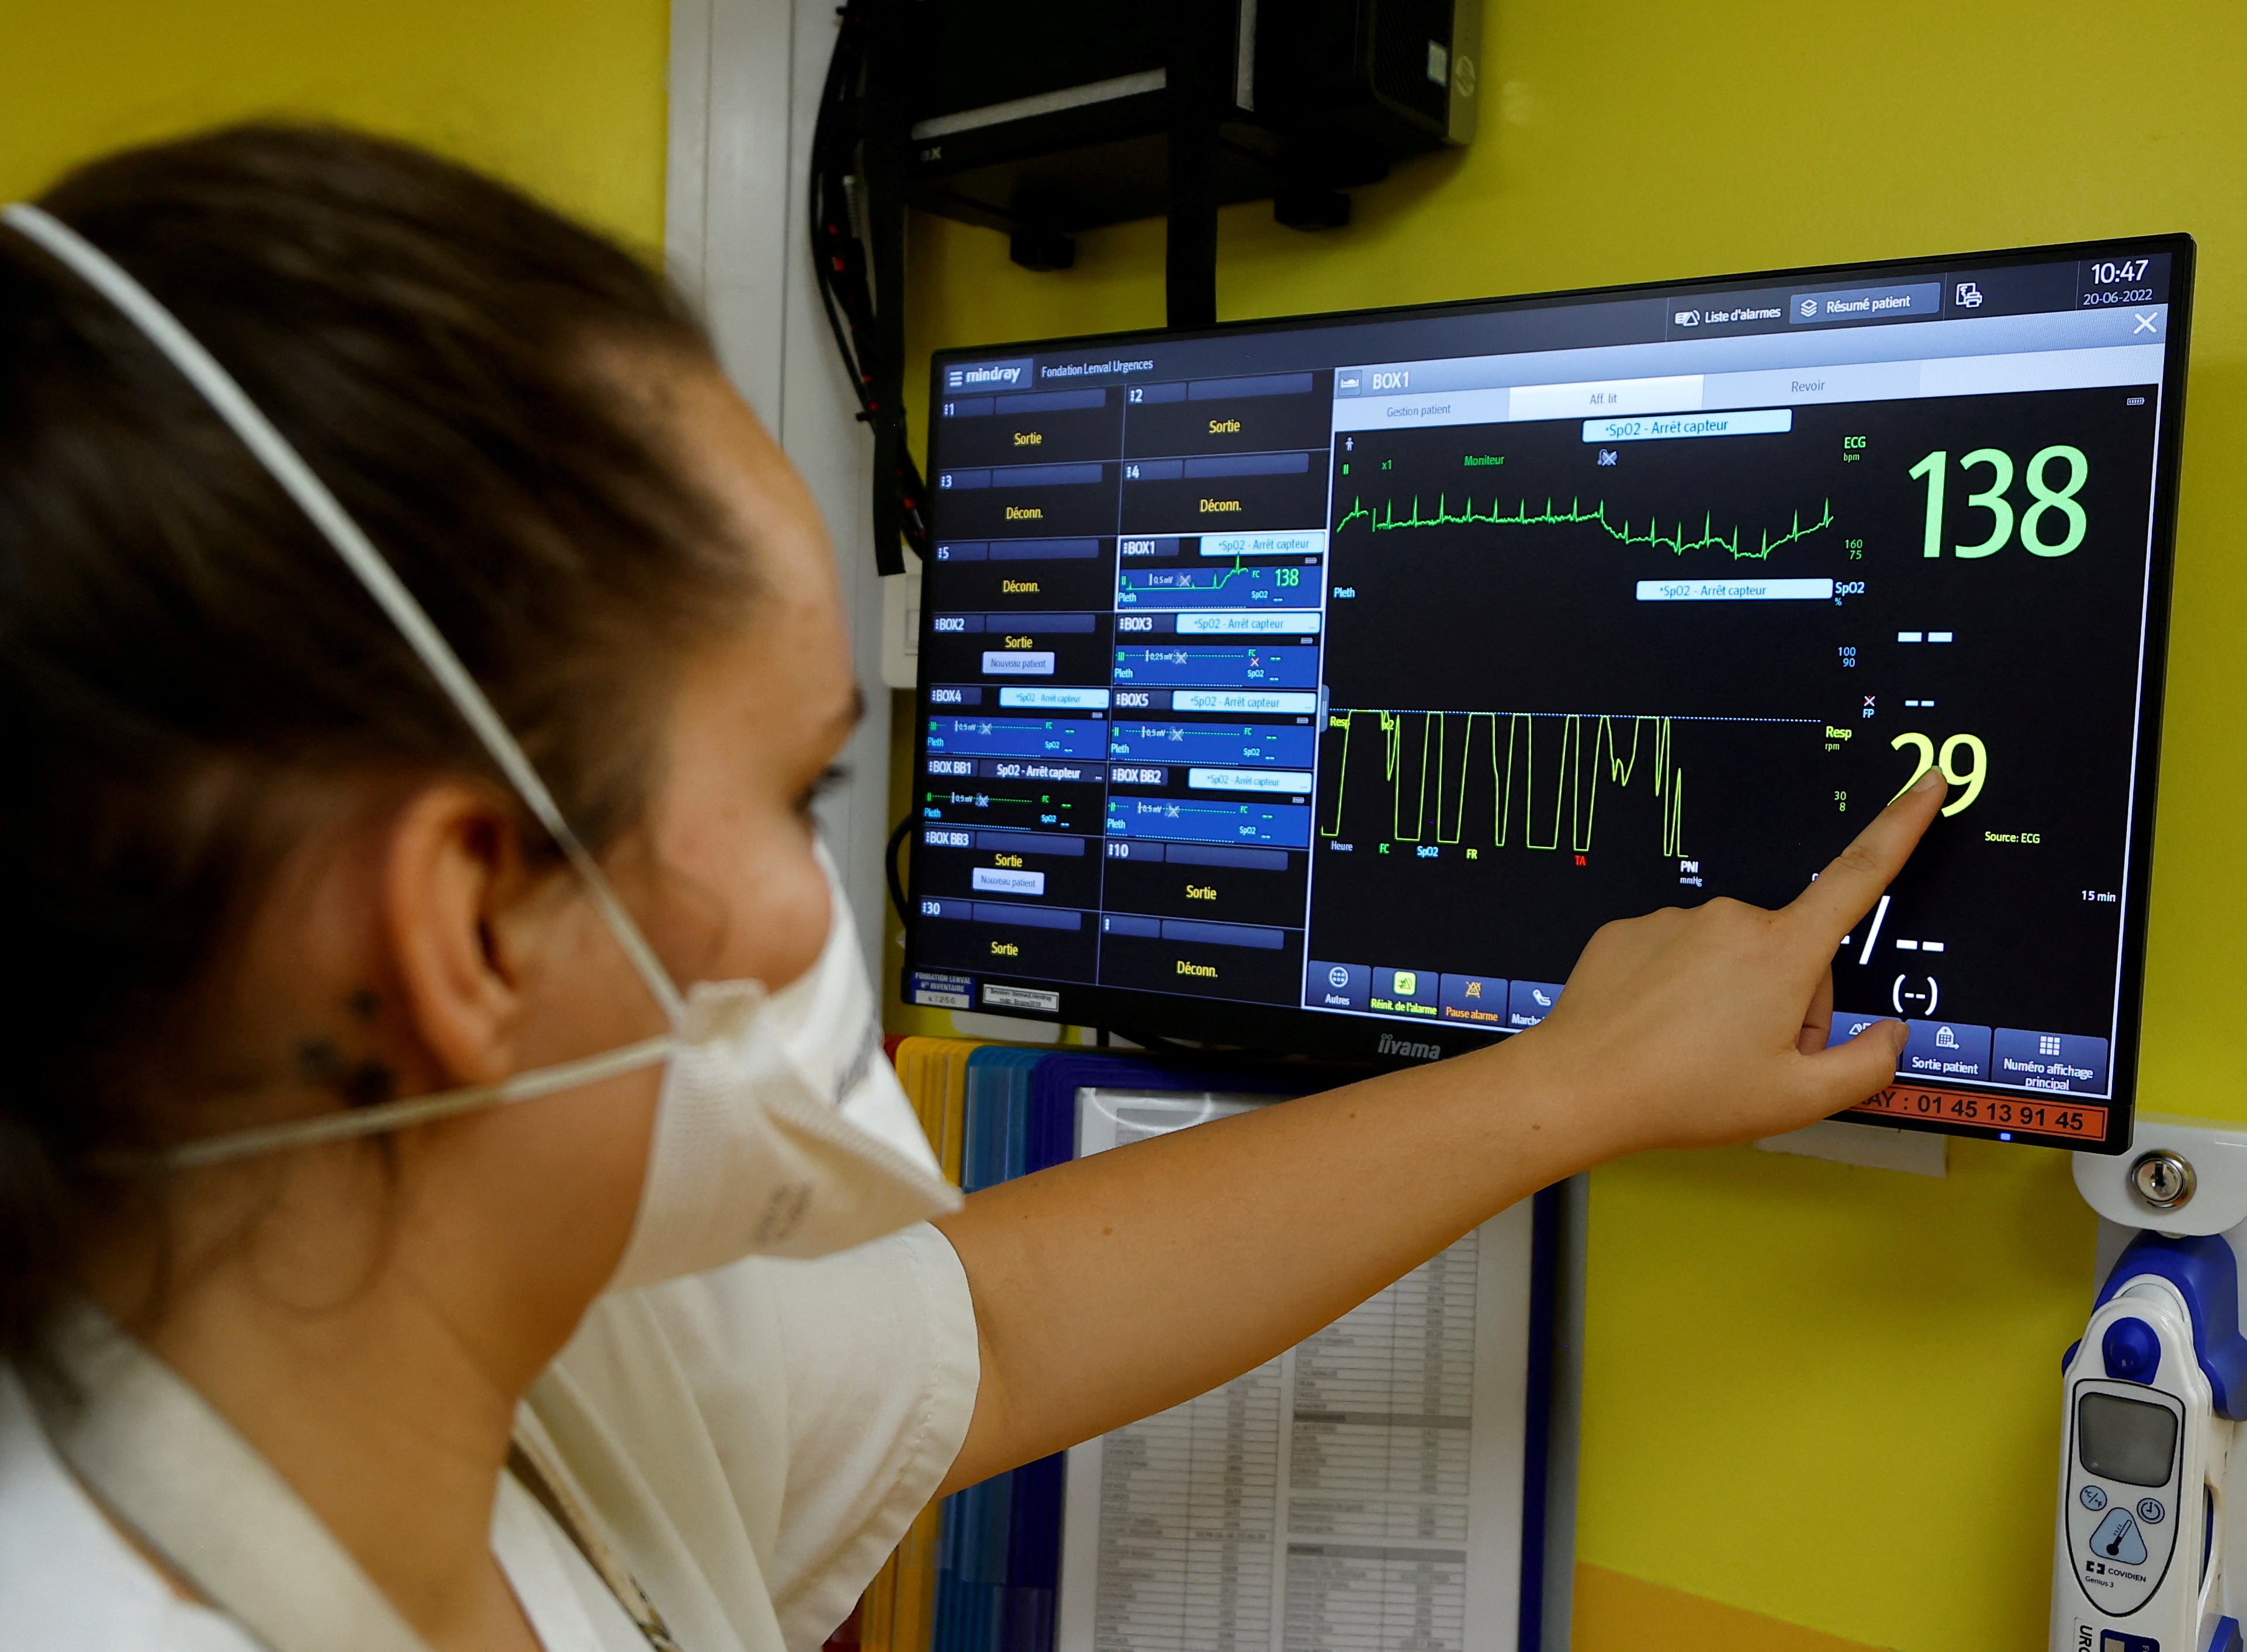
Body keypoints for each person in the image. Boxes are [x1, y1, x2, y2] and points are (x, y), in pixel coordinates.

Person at [0, 124, 1945, 1652]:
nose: (828, 886)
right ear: (462, 923)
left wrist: (1570, 1084)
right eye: (799, 786)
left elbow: (997, 1328)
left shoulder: (525, 1362)